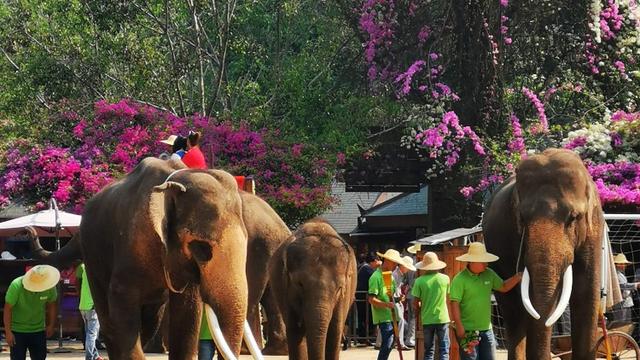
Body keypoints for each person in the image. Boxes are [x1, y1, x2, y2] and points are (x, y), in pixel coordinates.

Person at [450, 242, 522, 360]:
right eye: (483, 261)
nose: (486, 264)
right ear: (472, 261)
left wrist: (517, 277)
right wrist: (459, 327)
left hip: (487, 330)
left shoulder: (489, 274)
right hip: (468, 331)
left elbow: (503, 287)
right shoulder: (459, 280)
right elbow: (454, 304)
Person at [4, 264, 59, 360]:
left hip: (39, 330)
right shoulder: (16, 285)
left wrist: (51, 324)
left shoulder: (49, 285)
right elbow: (8, 308)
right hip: (18, 330)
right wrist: (8, 331)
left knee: (40, 357)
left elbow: (52, 305)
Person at [412, 252, 450, 360]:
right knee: (444, 349)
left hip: (427, 318)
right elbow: (448, 297)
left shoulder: (419, 281)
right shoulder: (445, 279)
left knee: (429, 350)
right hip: (442, 317)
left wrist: (418, 312)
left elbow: (415, 303)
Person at [369, 249, 403, 360]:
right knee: (388, 342)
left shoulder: (390, 276)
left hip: (392, 314)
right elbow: (371, 299)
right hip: (383, 316)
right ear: (387, 261)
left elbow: (391, 296)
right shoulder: (375, 277)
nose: (396, 266)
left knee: (391, 342)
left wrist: (398, 299)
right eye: (394, 263)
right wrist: (386, 305)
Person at [76, 263, 102, 360]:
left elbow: (78, 283)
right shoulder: (98, 269)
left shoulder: (83, 267)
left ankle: (95, 355)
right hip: (92, 306)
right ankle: (89, 357)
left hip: (83, 305)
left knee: (89, 332)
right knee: (92, 334)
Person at [356, 252, 381, 344]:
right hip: (363, 298)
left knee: (364, 317)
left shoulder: (363, 267)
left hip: (362, 297)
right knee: (366, 318)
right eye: (378, 260)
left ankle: (365, 336)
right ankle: (366, 337)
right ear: (374, 261)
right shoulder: (367, 269)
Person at [392, 255, 416, 350]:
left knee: (402, 319)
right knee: (403, 320)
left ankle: (399, 342)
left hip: (401, 298)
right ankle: (401, 342)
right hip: (397, 299)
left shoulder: (400, 274)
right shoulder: (396, 274)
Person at [405, 243, 423, 348]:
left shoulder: (410, 264)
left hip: (409, 293)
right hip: (416, 293)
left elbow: (406, 281)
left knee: (411, 317)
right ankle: (410, 339)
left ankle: (410, 338)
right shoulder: (419, 264)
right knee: (414, 318)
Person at [612, 253, 639, 323]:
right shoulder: (617, 274)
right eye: (622, 264)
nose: (624, 266)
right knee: (621, 323)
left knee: (626, 322)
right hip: (621, 303)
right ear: (617, 264)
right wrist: (636, 285)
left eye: (624, 264)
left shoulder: (620, 274)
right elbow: (622, 285)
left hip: (625, 303)